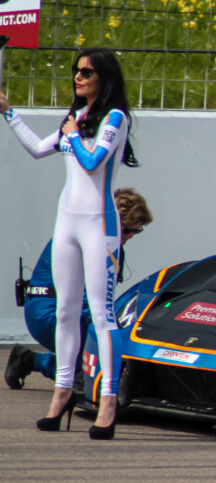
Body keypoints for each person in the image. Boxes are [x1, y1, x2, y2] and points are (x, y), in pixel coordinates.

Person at [1, 47, 138, 440]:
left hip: (100, 225)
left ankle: (107, 400)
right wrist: (9, 113)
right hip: (66, 224)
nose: (78, 78)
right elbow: (38, 149)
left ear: (104, 78)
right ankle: (61, 393)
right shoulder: (74, 117)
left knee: (101, 314)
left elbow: (94, 161)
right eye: (76, 71)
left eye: (87, 72)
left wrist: (73, 135)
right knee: (64, 311)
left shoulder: (115, 117)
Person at [5, 188, 153, 389]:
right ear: (112, 223)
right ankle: (79, 376)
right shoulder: (93, 242)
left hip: (46, 309)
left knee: (103, 342)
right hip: (51, 313)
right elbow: (89, 300)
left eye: (137, 230)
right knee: (104, 349)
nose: (132, 236)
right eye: (128, 230)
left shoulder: (96, 237)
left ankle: (30, 360)